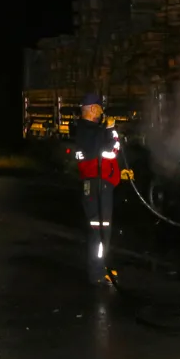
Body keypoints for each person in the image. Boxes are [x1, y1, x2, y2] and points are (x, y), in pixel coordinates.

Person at [72, 93, 133, 285]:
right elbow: (109, 152)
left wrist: (118, 172)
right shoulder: (90, 131)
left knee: (101, 230)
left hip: (100, 183)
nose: (101, 111)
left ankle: (102, 267)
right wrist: (112, 130)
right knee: (99, 231)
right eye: (99, 108)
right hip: (97, 186)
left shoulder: (89, 131)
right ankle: (97, 273)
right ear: (91, 109)